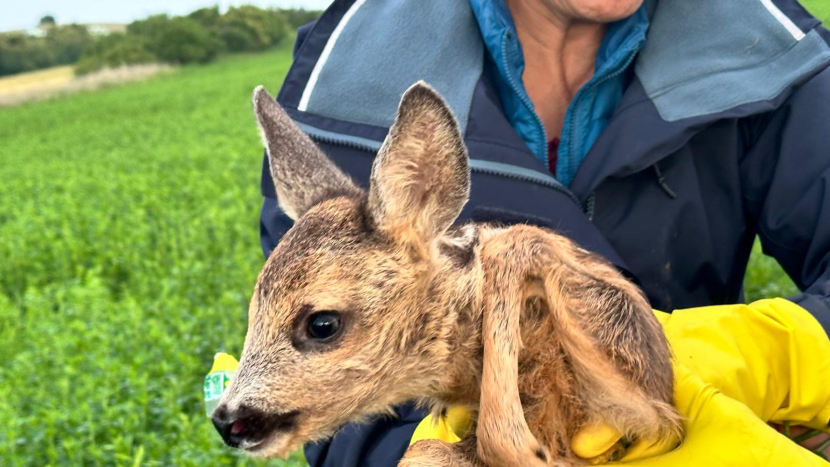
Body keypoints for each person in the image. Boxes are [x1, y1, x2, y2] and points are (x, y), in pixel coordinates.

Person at [258, 0, 830, 465]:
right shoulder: (341, 90)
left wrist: (776, 355)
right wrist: (426, 451)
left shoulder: (772, 52)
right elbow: (320, 386)